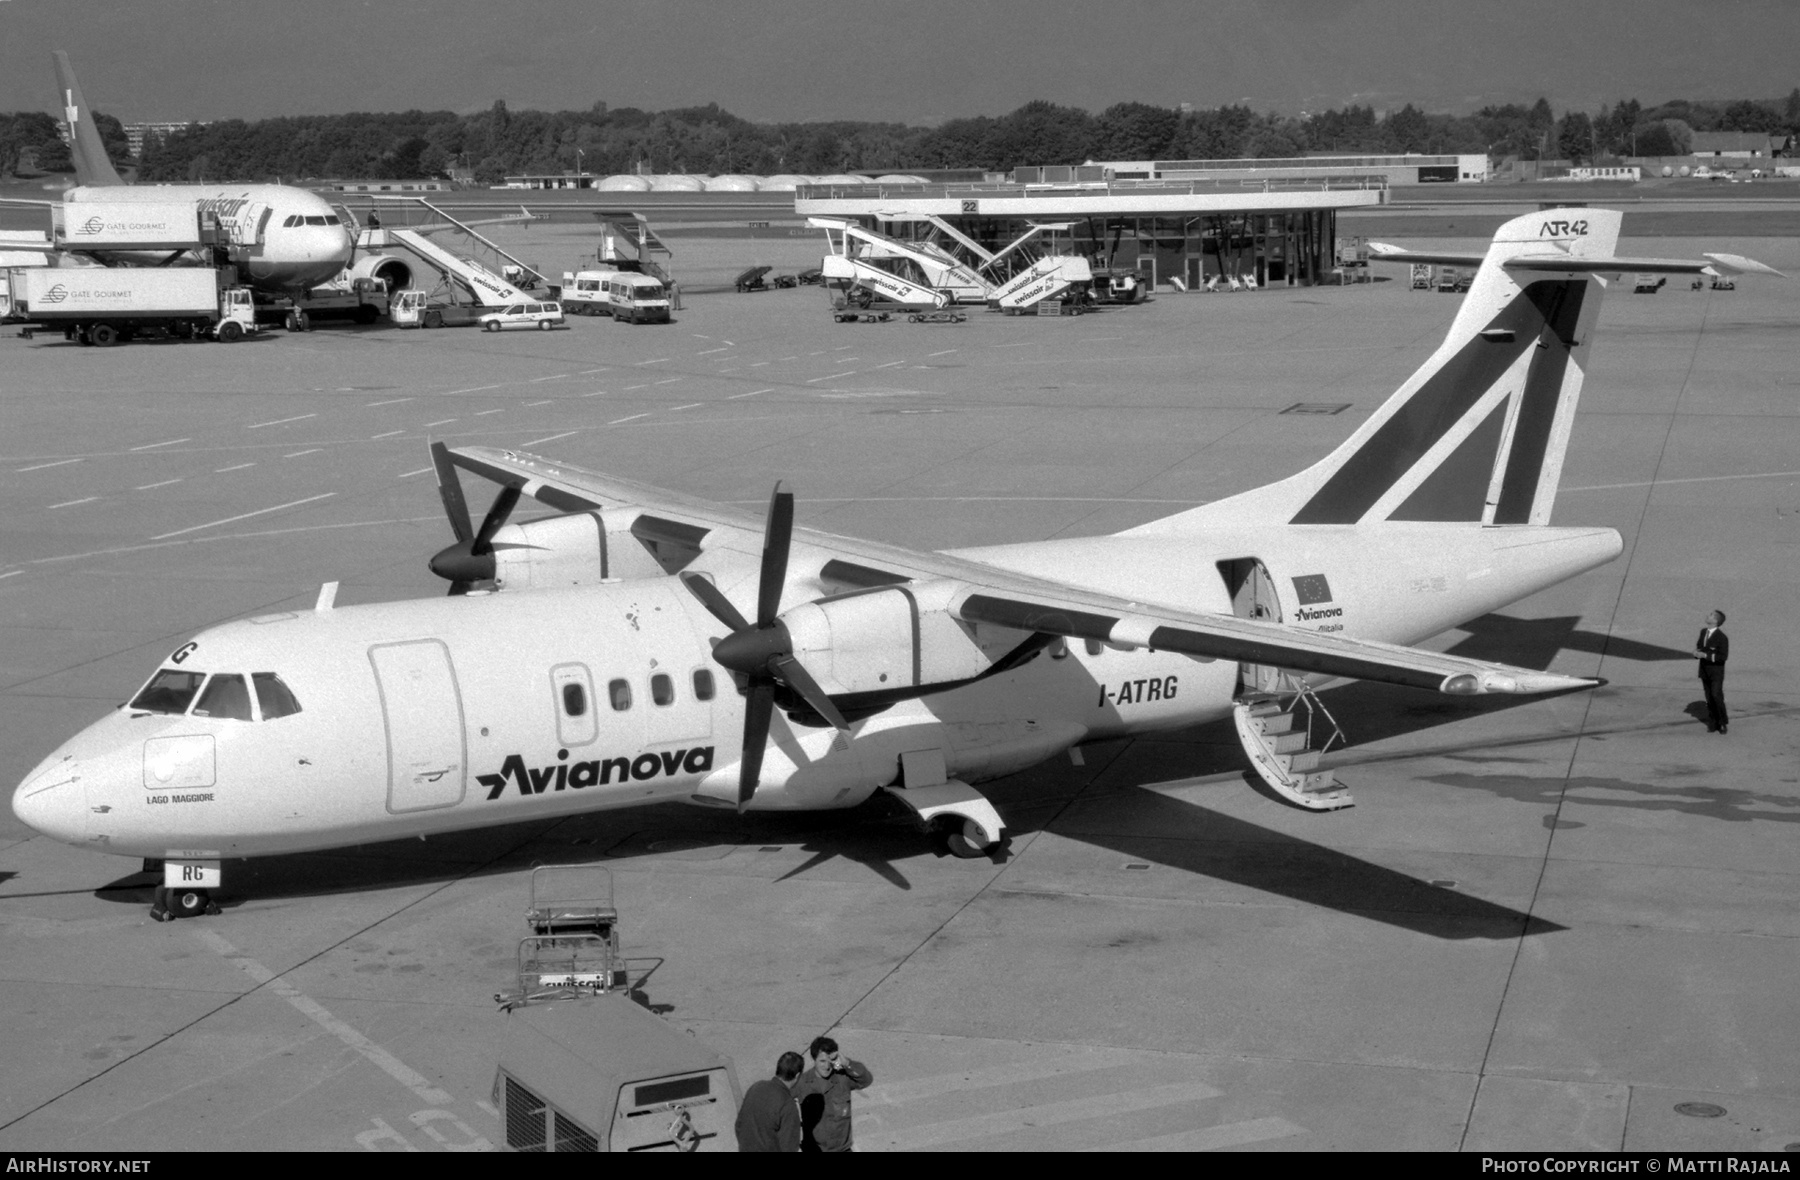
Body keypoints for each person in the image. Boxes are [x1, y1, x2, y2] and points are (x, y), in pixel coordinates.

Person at [793, 1035, 872, 1152]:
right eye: (822, 1061)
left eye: (830, 1061)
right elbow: (778, 1100)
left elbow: (865, 1080)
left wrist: (847, 1063)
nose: (826, 1066)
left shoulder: (842, 1079)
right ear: (814, 1059)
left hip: (842, 1149)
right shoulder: (802, 1083)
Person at [735, 1051, 804, 1152]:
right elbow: (789, 1148)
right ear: (797, 1075)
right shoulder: (788, 1105)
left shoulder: (756, 1087)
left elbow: (739, 1125)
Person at [1694, 609, 1730, 734]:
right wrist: (1697, 653)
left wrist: (1705, 656)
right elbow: (1700, 646)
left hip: (1716, 672)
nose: (1707, 615)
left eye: (1710, 615)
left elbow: (1723, 657)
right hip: (1704, 670)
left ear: (1715, 621)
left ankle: (1722, 722)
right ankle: (1713, 721)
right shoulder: (1703, 632)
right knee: (1709, 696)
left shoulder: (1722, 637)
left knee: (1716, 695)